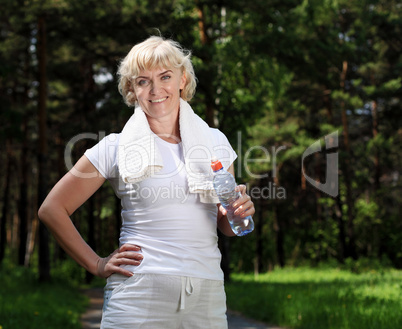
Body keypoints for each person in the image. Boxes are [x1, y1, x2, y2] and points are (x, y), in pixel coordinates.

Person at [38, 35, 255, 329]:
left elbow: (224, 224)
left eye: (165, 76)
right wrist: (96, 263)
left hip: (206, 295)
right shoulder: (114, 147)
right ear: (132, 90)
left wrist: (237, 212)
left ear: (183, 79)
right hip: (138, 297)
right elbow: (52, 209)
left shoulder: (215, 142)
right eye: (143, 81)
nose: (156, 89)